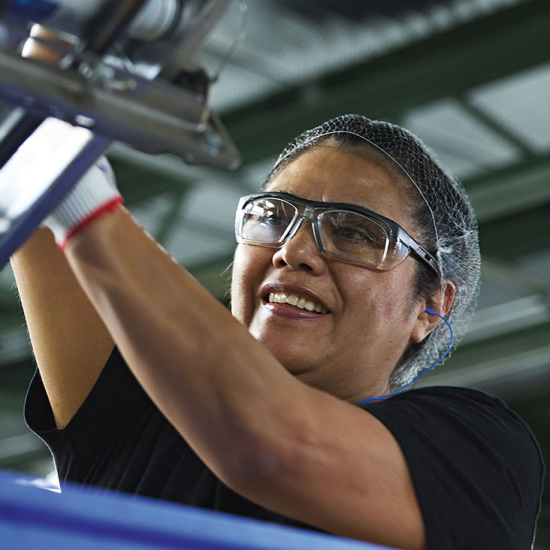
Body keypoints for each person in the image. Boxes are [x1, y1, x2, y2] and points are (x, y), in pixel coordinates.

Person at [11, 114, 542, 550]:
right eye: (274, 216)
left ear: (430, 306)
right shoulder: (143, 413)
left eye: (353, 232)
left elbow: (273, 448)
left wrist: (83, 202)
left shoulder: (479, 454)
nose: (293, 251)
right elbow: (25, 155)